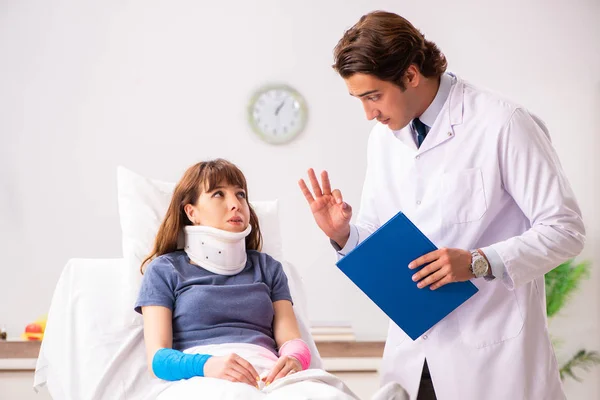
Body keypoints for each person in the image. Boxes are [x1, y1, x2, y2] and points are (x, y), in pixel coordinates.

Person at [299, 10, 585, 400]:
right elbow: (381, 240)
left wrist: (477, 261)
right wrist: (343, 235)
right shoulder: (385, 139)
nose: (369, 114)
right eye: (359, 100)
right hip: (414, 359)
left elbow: (565, 230)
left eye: (373, 96)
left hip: (492, 358)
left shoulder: (503, 123)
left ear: (411, 75)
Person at [135, 159, 309, 389]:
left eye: (241, 195)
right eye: (218, 194)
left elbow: (291, 339)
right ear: (191, 211)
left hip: (269, 378)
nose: (235, 204)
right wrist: (208, 365)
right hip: (201, 378)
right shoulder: (165, 270)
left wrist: (295, 359)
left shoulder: (268, 268)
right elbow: (158, 359)